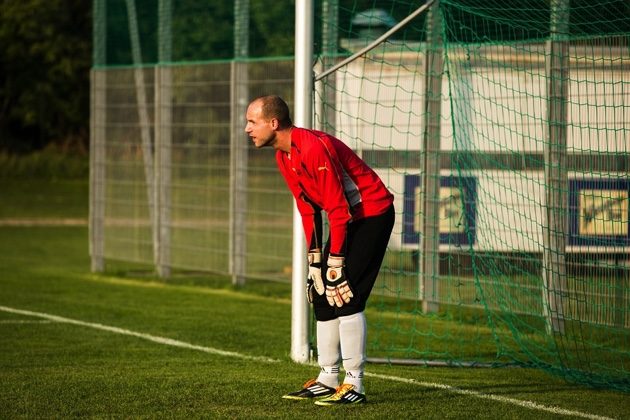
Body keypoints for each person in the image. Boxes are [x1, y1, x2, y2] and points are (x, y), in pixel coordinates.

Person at [245, 95, 395, 406]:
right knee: (321, 292)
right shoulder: (283, 155)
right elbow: (308, 209)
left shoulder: (313, 146)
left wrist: (336, 264)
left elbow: (338, 209)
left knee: (345, 291)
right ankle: (328, 378)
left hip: (371, 214)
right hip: (347, 219)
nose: (247, 128)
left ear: (273, 123)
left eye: (252, 121)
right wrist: (316, 263)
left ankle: (355, 384)